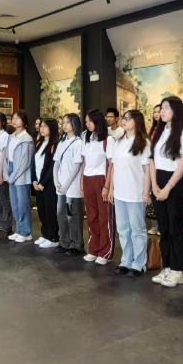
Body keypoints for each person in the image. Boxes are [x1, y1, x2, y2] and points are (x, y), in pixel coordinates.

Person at [149, 96, 183, 288]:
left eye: (166, 108)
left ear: (176, 110)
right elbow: (152, 160)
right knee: (164, 228)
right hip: (158, 180)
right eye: (161, 108)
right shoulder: (159, 131)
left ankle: (177, 271)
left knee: (176, 228)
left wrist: (167, 188)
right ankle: (166, 266)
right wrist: (153, 185)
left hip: (175, 182)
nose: (162, 111)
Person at [107, 109, 151, 277]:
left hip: (136, 193)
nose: (124, 121)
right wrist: (111, 188)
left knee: (137, 229)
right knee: (123, 229)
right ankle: (126, 260)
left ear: (137, 122)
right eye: (123, 118)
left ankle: (139, 263)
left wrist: (146, 192)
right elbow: (114, 167)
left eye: (128, 118)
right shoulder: (118, 141)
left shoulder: (144, 143)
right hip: (119, 192)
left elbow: (147, 170)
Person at [82, 109, 115, 265]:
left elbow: (111, 164)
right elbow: (84, 163)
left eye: (90, 121)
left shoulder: (108, 140)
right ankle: (93, 248)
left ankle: (105, 251)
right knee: (91, 217)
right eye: (86, 121)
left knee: (104, 217)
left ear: (98, 121)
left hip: (101, 180)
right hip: (87, 179)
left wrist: (107, 186)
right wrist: (82, 182)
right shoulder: (87, 138)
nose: (87, 124)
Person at [54, 113, 85, 255]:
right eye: (63, 122)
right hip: (61, 186)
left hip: (72, 187)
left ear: (75, 124)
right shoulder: (62, 142)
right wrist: (56, 181)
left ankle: (76, 245)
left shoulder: (78, 142)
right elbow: (56, 164)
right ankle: (64, 242)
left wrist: (65, 184)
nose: (64, 125)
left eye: (68, 122)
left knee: (73, 216)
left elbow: (76, 167)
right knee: (61, 215)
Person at [5, 110, 35, 243]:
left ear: (24, 121)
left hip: (21, 174)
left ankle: (26, 232)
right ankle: (19, 230)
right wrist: (7, 173)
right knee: (15, 204)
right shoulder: (11, 136)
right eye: (13, 118)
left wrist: (13, 175)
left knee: (23, 205)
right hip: (11, 169)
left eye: (18, 118)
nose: (14, 120)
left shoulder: (27, 139)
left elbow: (25, 162)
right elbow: (7, 156)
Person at [32, 118, 59, 249]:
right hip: (38, 183)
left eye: (45, 126)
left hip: (49, 184)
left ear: (52, 128)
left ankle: (53, 237)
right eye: (41, 126)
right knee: (42, 210)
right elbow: (33, 163)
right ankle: (45, 234)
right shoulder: (39, 143)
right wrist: (34, 180)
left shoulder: (55, 144)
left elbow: (52, 167)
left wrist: (43, 182)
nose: (41, 128)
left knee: (50, 211)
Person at [146, 104, 163, 236]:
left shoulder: (165, 130)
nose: (156, 114)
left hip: (161, 166)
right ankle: (155, 225)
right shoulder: (152, 130)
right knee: (152, 195)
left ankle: (161, 225)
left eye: (158, 111)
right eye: (154, 112)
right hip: (152, 165)